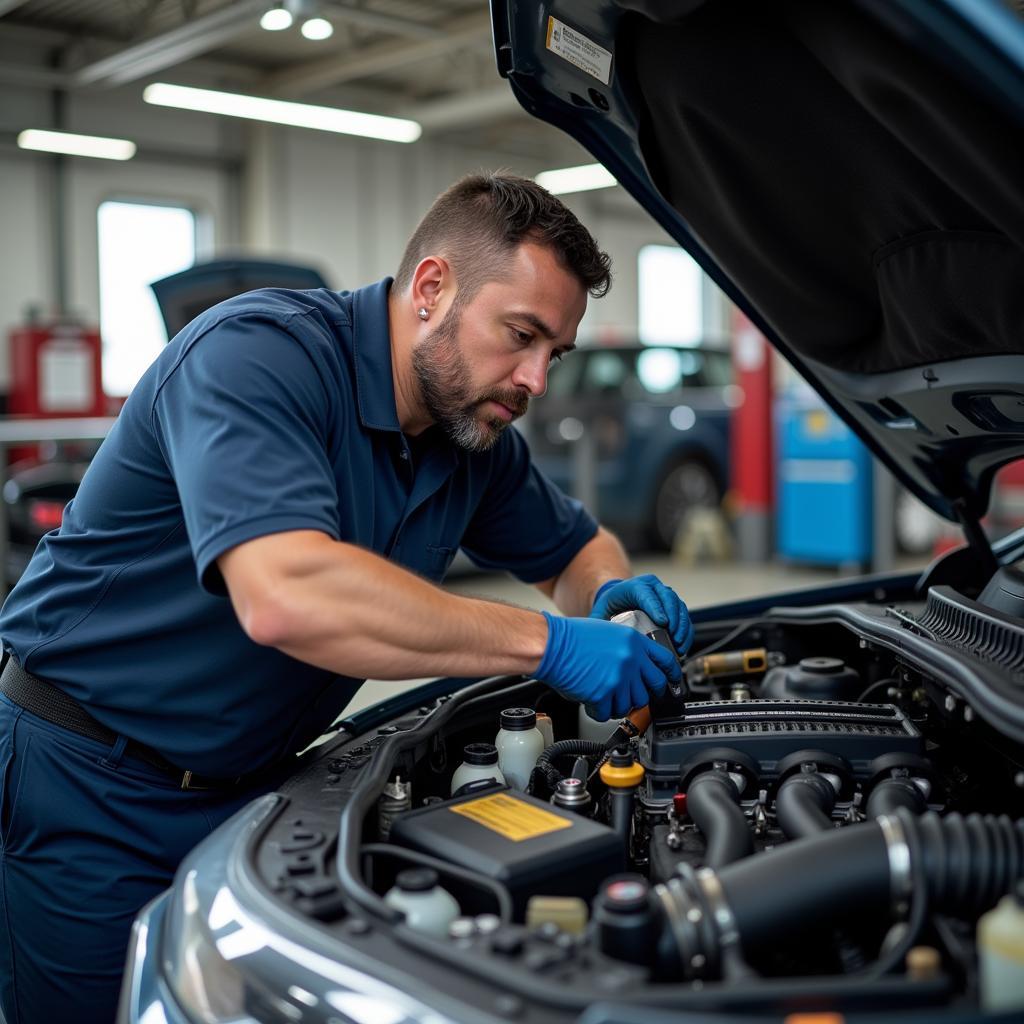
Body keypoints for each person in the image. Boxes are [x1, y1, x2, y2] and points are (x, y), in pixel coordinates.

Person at [0, 173, 692, 1022]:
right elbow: (286, 595)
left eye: (556, 353)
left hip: (253, 792)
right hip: (88, 783)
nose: (537, 378)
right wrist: (551, 645)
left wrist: (609, 597)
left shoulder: (469, 431)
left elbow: (576, 548)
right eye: (522, 335)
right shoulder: (257, 355)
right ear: (433, 288)